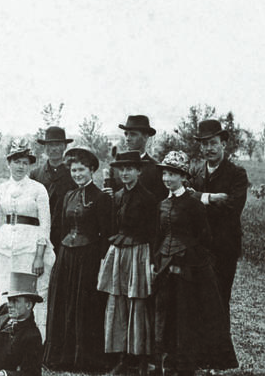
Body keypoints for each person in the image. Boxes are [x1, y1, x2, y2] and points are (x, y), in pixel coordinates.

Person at [153, 151, 238, 375]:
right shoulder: (162, 204)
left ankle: (185, 364)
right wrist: (157, 261)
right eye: (165, 174)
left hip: (187, 268)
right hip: (165, 266)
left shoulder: (193, 204)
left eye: (172, 174)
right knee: (166, 312)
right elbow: (159, 236)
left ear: (183, 177)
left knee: (185, 314)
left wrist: (188, 259)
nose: (167, 178)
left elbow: (204, 237)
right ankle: (168, 362)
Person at [43, 146, 112, 370]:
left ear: (92, 170)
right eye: (74, 170)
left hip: (88, 258)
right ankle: (62, 356)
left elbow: (106, 235)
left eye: (81, 170)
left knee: (84, 306)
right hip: (66, 256)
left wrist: (100, 262)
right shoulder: (68, 196)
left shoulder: (101, 198)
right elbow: (61, 228)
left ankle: (84, 358)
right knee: (64, 303)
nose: (77, 174)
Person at [97, 150, 159, 376]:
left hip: (139, 253)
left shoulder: (149, 199)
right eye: (121, 169)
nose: (125, 173)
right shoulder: (117, 197)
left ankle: (140, 359)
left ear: (139, 171)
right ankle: (121, 357)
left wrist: (152, 263)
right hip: (119, 252)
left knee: (138, 303)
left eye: (130, 169)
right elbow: (112, 228)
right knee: (118, 302)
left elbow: (154, 233)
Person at [0, 139, 55, 337]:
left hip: (30, 249)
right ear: (8, 163)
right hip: (4, 248)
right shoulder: (1, 189)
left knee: (29, 294)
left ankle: (34, 341)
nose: (20, 167)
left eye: (25, 163)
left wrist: (39, 256)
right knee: (4, 291)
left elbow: (45, 224)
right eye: (16, 162)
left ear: (29, 166)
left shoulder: (38, 189)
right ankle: (4, 338)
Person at [189, 119, 249, 311]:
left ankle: (222, 333)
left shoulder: (237, 174)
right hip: (199, 247)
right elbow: (186, 200)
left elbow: (232, 208)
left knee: (219, 300)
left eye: (213, 143)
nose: (209, 148)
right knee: (197, 302)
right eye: (205, 144)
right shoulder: (195, 173)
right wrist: (209, 198)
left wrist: (198, 199)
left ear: (223, 144)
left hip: (224, 247)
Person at [30, 126, 74, 254]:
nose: (54, 149)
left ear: (65, 147)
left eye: (58, 144)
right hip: (40, 234)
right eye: (50, 145)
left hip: (65, 235)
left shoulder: (73, 174)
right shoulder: (36, 174)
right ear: (45, 148)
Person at [107, 115, 166, 199]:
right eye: (126, 134)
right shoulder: (116, 167)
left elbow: (160, 200)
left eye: (133, 134)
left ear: (145, 137)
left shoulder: (156, 169)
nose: (127, 138)